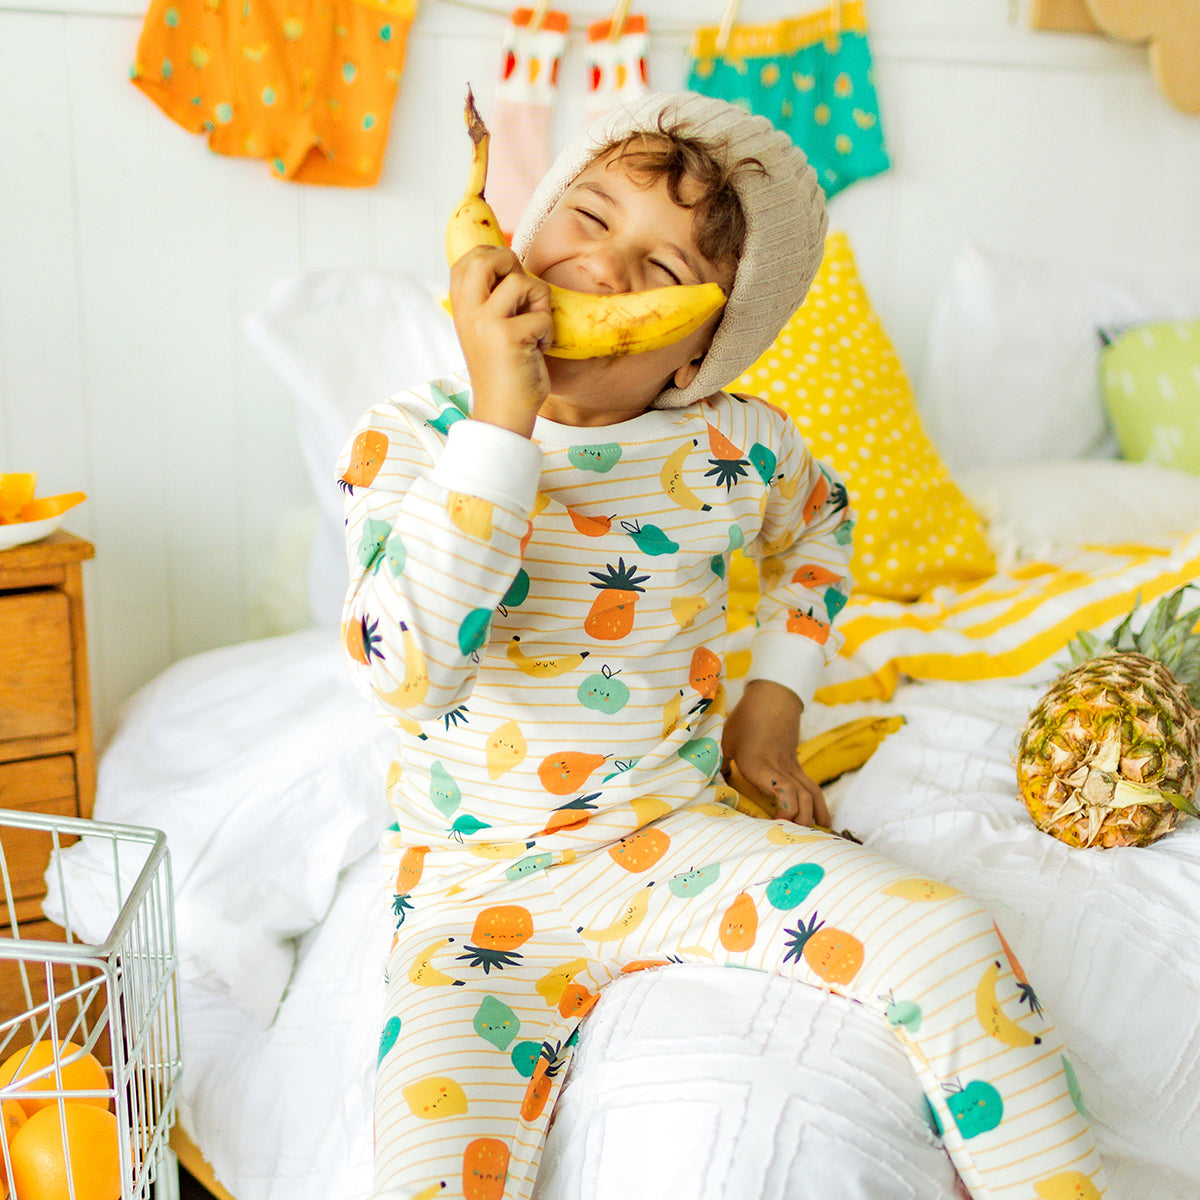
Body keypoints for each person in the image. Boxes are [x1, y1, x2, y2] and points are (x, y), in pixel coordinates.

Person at [340, 93, 1107, 1200]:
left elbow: (823, 528)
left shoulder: (734, 444)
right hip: (470, 898)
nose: (603, 268)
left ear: (698, 352)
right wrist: (497, 423)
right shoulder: (411, 438)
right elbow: (407, 670)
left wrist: (774, 705)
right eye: (588, 219)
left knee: (946, 941)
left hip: (670, 843)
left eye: (660, 272)